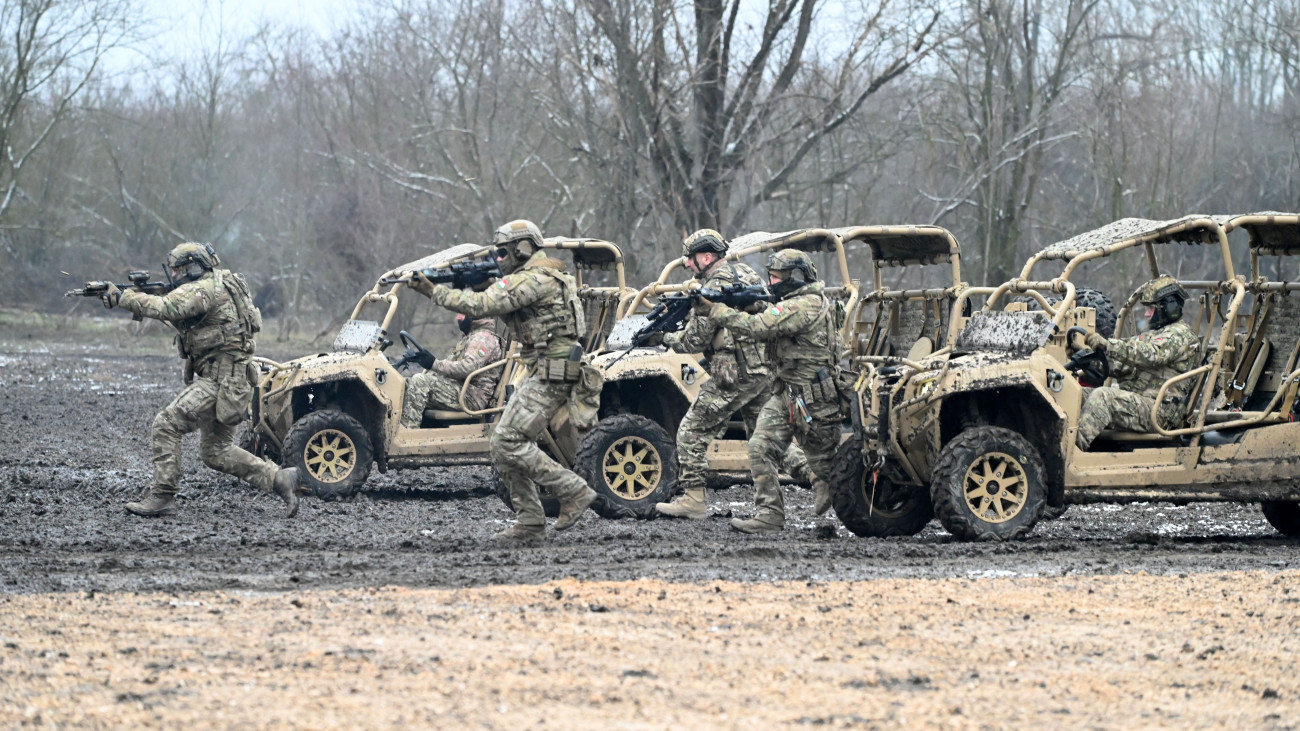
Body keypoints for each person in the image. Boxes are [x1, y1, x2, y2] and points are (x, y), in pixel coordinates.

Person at [408, 219, 597, 543]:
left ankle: (573, 490)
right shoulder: (539, 277)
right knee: (501, 443)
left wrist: (432, 291)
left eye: (503, 253)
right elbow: (502, 302)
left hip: (552, 373)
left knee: (506, 441)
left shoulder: (536, 279)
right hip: (541, 370)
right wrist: (480, 282)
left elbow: (483, 306)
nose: (500, 259)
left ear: (522, 249)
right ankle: (531, 523)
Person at [101, 242, 303, 518]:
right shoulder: (221, 282)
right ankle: (279, 479)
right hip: (234, 380)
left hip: (221, 381)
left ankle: (162, 495)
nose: (173, 274)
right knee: (216, 452)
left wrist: (123, 298)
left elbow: (167, 307)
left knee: (166, 424)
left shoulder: (202, 289)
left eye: (177, 269)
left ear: (192, 268)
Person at [653, 230, 826, 521]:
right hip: (762, 370)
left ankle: (694, 498)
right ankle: (817, 476)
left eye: (690, 258)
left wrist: (663, 338)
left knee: (691, 431)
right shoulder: (745, 272)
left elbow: (694, 341)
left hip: (735, 374)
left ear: (706, 257)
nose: (686, 263)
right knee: (765, 438)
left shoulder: (711, 287)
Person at [698, 249, 844, 533]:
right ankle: (770, 515)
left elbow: (758, 327)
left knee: (826, 464)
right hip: (787, 394)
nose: (771, 282)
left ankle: (868, 507)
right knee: (760, 446)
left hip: (814, 399)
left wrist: (716, 310)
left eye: (776, 277)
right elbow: (770, 318)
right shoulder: (793, 303)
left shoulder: (806, 305)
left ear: (795, 278)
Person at [1075, 276, 1199, 451]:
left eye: (1151, 308)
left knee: (1103, 397)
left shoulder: (1181, 335)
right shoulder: (1154, 334)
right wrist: (1089, 360)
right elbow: (1123, 365)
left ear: (1169, 307)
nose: (1147, 314)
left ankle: (1071, 456)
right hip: (1140, 405)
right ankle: (1053, 445)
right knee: (1076, 394)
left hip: (1159, 412)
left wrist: (1108, 345)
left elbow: (1148, 355)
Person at [400, 314, 504, 427]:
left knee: (420, 382)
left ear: (475, 314)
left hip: (470, 397)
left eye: (462, 314)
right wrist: (426, 360)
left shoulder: (484, 338)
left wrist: (435, 364)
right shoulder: (471, 336)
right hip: (459, 389)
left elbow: (468, 368)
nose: (458, 318)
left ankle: (408, 435)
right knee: (404, 384)